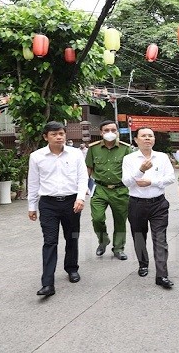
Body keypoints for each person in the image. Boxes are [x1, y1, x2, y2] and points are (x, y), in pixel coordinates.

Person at [27, 121, 88, 296]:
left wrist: (80, 198)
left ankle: (71, 268)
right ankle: (47, 283)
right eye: (54, 134)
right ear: (46, 137)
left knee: (72, 237)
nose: (59, 137)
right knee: (50, 241)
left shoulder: (76, 154)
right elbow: (33, 183)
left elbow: (83, 178)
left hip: (72, 202)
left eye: (61, 133)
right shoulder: (36, 156)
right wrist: (32, 206)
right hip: (48, 204)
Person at [121, 127, 177, 289]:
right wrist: (141, 171)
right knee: (139, 236)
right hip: (137, 203)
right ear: (136, 140)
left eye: (150, 136)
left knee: (160, 239)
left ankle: (162, 275)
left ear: (154, 139)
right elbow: (127, 182)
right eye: (143, 136)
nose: (147, 138)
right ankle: (143, 263)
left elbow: (170, 178)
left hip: (158, 203)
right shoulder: (129, 159)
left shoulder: (162, 157)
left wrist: (152, 182)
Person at [85, 120, 133, 260]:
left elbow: (131, 169)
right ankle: (103, 240)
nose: (110, 133)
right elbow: (88, 169)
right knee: (97, 218)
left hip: (120, 190)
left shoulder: (125, 149)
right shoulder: (93, 149)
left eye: (113, 130)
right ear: (101, 133)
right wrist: (84, 189)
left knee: (120, 221)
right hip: (99, 189)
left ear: (117, 132)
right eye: (106, 130)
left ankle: (118, 248)